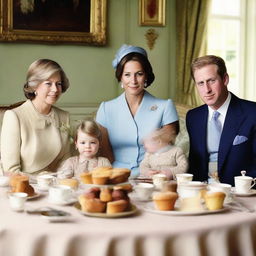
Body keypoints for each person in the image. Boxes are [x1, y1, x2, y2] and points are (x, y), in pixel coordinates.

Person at [96, 44, 179, 177]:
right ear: (120, 78)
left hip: (153, 176)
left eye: (139, 74)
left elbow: (167, 153)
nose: (133, 81)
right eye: (127, 75)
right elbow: (105, 154)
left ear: (146, 76)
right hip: (116, 176)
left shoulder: (165, 107)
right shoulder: (106, 109)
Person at [186, 55, 256, 185]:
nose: (207, 90)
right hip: (201, 193)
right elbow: (195, 164)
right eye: (201, 83)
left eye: (211, 81)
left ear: (225, 79)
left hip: (241, 194)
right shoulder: (193, 117)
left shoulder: (253, 113)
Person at [1, 59, 72, 176]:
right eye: (48, 83)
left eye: (58, 84)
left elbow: (67, 162)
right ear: (34, 86)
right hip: (25, 186)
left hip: (57, 186)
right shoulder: (14, 116)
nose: (55, 89)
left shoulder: (64, 116)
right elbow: (10, 170)